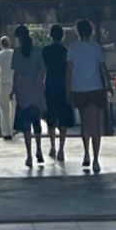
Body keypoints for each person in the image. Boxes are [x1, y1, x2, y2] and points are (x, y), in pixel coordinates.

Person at [66, 17, 111, 172]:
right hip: (96, 87)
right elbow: (103, 68)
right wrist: (108, 84)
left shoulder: (72, 48)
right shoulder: (96, 47)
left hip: (79, 89)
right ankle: (96, 159)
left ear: (78, 32)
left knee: (85, 123)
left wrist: (68, 90)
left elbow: (69, 71)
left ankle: (86, 153)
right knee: (96, 124)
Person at [10, 23, 47, 170]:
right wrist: (41, 84)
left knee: (25, 126)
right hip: (35, 88)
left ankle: (29, 155)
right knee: (36, 121)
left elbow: (16, 74)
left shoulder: (17, 53)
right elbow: (43, 70)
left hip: (22, 89)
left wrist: (13, 90)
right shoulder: (37, 51)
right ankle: (39, 148)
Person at [41, 22, 74, 160]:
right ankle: (61, 147)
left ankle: (53, 146)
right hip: (63, 86)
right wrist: (69, 90)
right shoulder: (67, 52)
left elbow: (43, 72)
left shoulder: (45, 51)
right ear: (63, 36)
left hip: (50, 86)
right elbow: (69, 72)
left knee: (51, 118)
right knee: (63, 120)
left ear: (50, 36)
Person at [0, 34, 14, 142]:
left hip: (2, 82)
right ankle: (11, 129)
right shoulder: (14, 54)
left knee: (4, 108)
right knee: (13, 107)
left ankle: (6, 132)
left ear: (1, 45)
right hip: (13, 83)